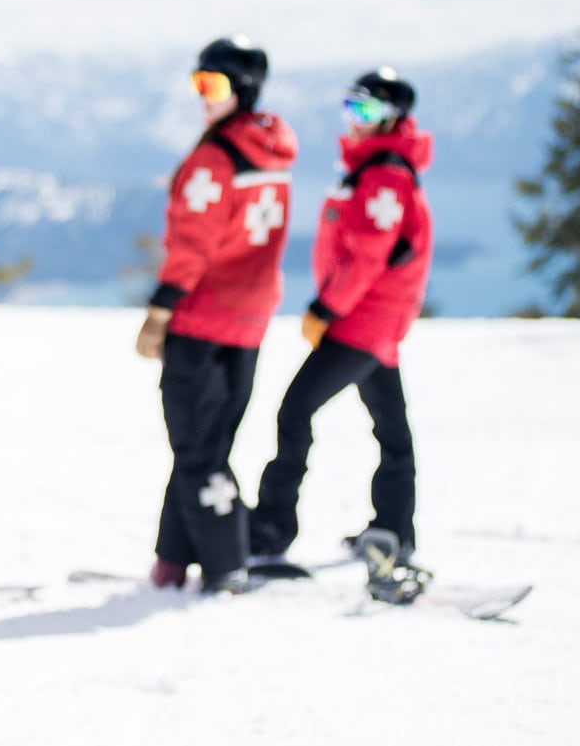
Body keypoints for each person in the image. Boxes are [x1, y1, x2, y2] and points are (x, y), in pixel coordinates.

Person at [249, 67, 433, 568]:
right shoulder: (371, 168)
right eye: (351, 107)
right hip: (373, 321)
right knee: (392, 429)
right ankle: (394, 529)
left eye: (368, 111)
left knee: (295, 411)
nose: (355, 120)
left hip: (361, 321)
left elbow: (370, 254)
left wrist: (325, 308)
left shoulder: (385, 176)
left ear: (393, 119)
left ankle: (270, 527)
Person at [134, 35, 296, 594]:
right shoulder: (269, 154)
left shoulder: (215, 158)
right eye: (198, 83)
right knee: (205, 443)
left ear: (243, 89)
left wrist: (160, 310)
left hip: (203, 321)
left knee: (199, 450)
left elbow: (193, 246)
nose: (203, 96)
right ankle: (172, 565)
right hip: (249, 321)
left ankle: (228, 564)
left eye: (215, 84)